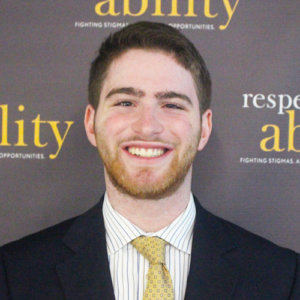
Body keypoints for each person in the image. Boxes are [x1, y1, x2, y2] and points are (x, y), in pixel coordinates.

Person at [0, 21, 299, 300]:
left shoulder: (283, 277)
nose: (147, 126)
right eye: (126, 102)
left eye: (171, 104)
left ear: (204, 128)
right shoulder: (13, 274)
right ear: (91, 123)